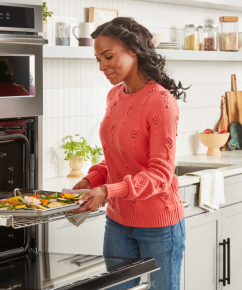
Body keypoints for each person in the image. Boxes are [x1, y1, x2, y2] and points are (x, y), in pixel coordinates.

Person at [70, 17, 190, 290]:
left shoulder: (160, 101)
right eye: (98, 59)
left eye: (108, 56)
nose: (102, 66)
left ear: (133, 51)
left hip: (160, 224)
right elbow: (116, 156)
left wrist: (108, 191)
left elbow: (160, 173)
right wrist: (93, 180)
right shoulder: (114, 95)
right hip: (118, 222)